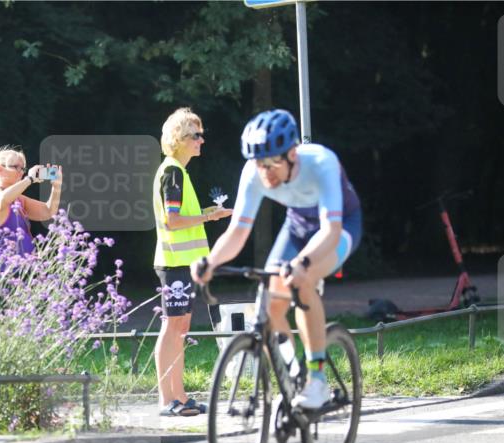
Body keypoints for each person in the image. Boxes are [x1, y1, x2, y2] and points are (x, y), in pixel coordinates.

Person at [192, 109, 362, 409]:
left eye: (272, 164)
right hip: (297, 227)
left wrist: (303, 263)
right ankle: (291, 378)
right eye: (259, 164)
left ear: (292, 154)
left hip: (340, 227)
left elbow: (331, 230)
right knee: (267, 306)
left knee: (303, 281)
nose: (265, 173)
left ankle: (317, 380)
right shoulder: (254, 173)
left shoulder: (321, 163)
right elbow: (237, 232)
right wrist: (211, 262)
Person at [153, 108, 232, 417]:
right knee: (172, 328)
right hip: (174, 263)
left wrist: (206, 214)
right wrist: (208, 216)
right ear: (179, 139)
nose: (202, 140)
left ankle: (180, 396)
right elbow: (173, 221)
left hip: (182, 264)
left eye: (201, 134)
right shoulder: (172, 171)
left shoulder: (178, 171)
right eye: (195, 135)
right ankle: (166, 399)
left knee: (181, 328)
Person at [0, 146, 63, 256]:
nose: (21, 173)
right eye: (16, 167)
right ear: (0, 170)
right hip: (5, 270)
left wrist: (56, 187)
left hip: (25, 269)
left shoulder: (19, 199)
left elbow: (48, 211)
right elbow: (2, 200)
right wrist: (29, 179)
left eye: (23, 169)